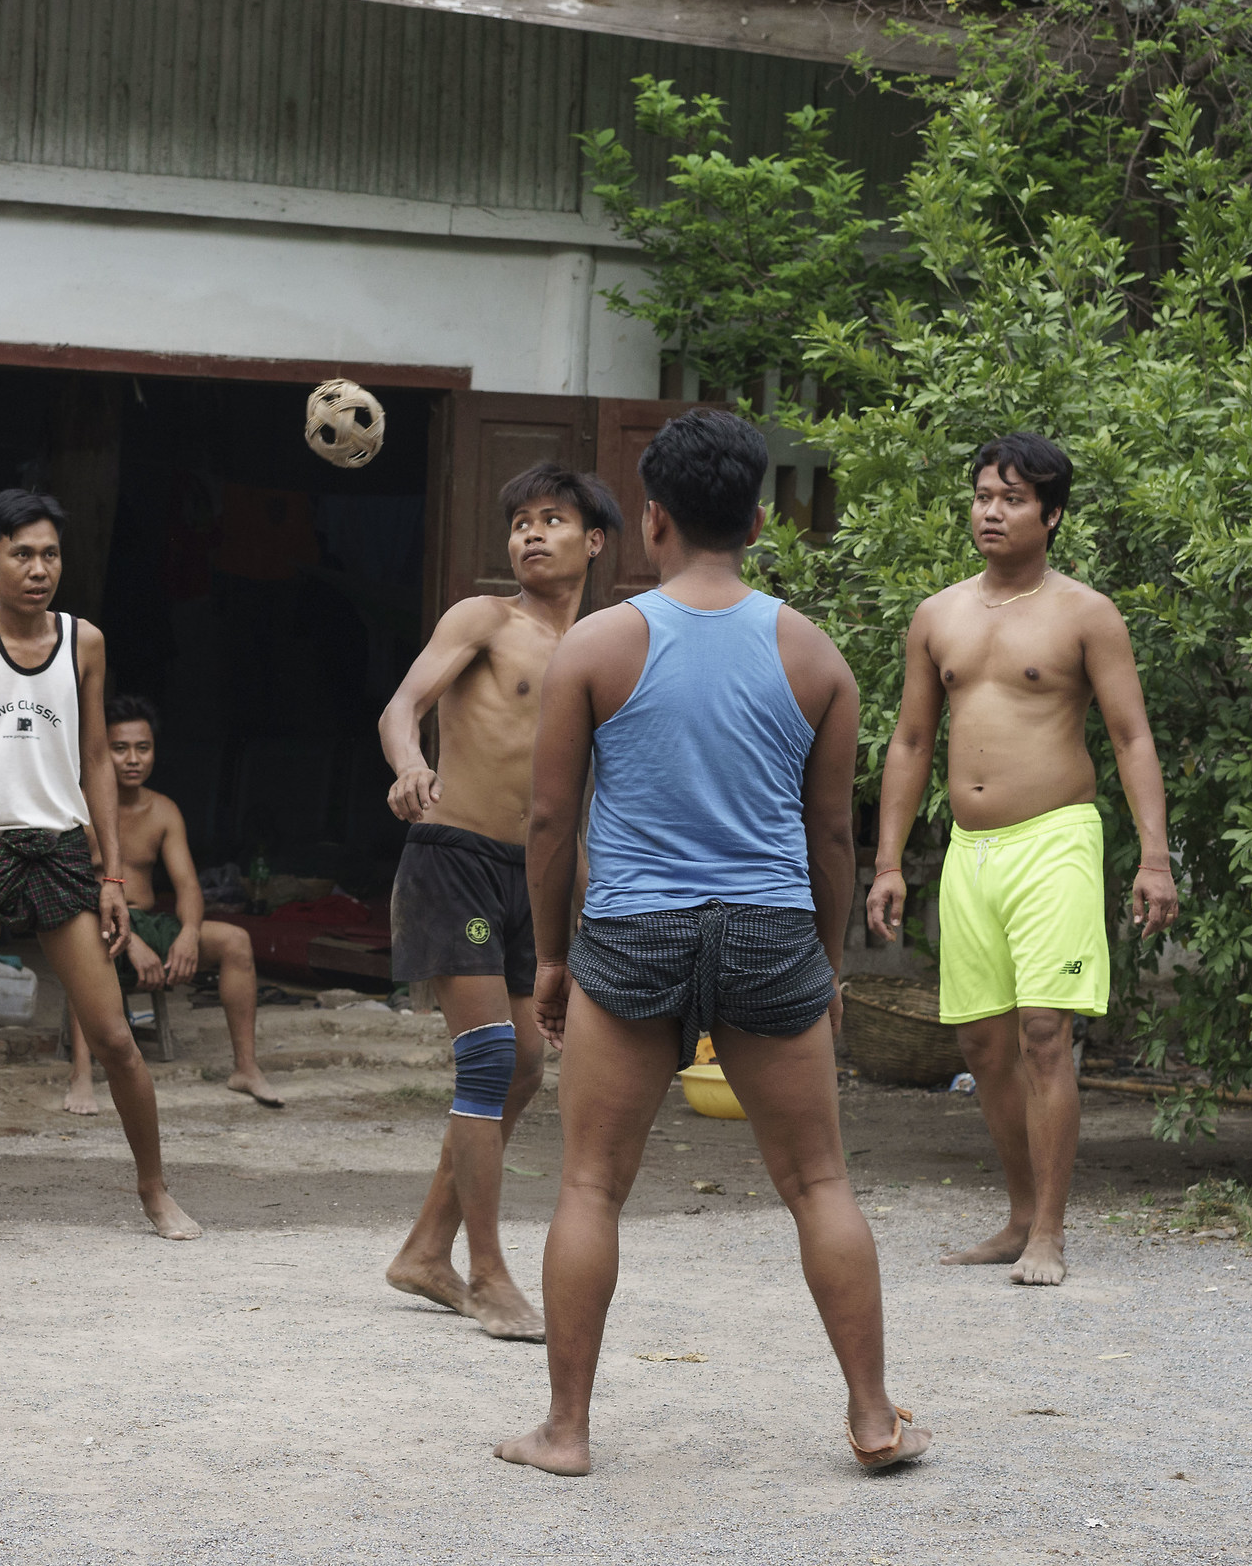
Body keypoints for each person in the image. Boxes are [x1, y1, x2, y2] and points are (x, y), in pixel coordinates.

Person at [497, 408, 929, 1477]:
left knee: (592, 1183)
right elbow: (831, 832)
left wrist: (552, 958)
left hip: (632, 930)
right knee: (820, 1182)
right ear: (756, 520)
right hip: (771, 928)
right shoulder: (814, 655)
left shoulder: (597, 645)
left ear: (651, 520)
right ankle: (873, 1418)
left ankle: (566, 1429)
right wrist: (826, 964)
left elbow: (552, 823)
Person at [866, 433, 1178, 1288]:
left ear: (1052, 514)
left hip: (1056, 840)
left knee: (1045, 1035)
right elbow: (912, 739)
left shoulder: (1086, 613)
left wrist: (1155, 856)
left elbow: (1130, 736)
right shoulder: (940, 614)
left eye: (1010, 498)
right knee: (980, 1042)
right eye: (981, 496)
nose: (990, 511)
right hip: (970, 851)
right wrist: (888, 861)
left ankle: (1050, 1232)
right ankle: (1014, 1216)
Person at [0, 489, 200, 1245]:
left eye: (50, 553)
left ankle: (155, 1192)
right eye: (22, 553)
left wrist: (112, 875)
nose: (39, 568)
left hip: (59, 852)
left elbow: (94, 762)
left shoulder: (85, 642)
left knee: (114, 1038)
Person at [377, 460, 615, 1342]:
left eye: (551, 519)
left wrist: (583, 907)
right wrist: (410, 764)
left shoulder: (604, 646)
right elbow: (402, 705)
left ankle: (425, 1253)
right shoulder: (485, 619)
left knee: (523, 1067)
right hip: (456, 857)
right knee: (486, 1060)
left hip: (538, 880)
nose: (529, 534)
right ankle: (485, 1275)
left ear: (593, 541)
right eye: (520, 521)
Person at [63, 694, 282, 1116]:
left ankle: (246, 1068)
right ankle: (82, 1078)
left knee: (235, 941)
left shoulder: (163, 811)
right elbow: (70, 891)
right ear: (100, 750)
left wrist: (187, 934)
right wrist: (128, 943)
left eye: (142, 748)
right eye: (120, 747)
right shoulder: (80, 810)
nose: (132, 759)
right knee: (82, 949)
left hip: (147, 921)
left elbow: (187, 886)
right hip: (95, 923)